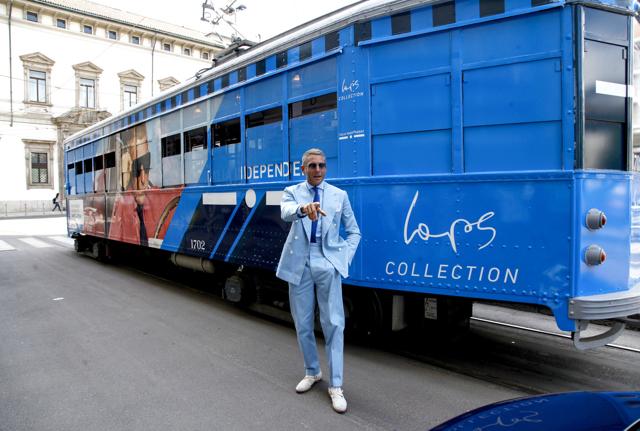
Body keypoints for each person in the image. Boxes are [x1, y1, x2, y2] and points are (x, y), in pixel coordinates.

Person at [276, 148, 361, 413]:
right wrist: (304, 209)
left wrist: (342, 259)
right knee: (302, 323)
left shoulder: (339, 195)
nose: (318, 170)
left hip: (327, 261)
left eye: (322, 165)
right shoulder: (292, 192)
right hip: (299, 263)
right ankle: (312, 371)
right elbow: (286, 212)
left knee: (334, 323)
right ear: (303, 169)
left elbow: (355, 232)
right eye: (312, 166)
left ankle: (336, 386)